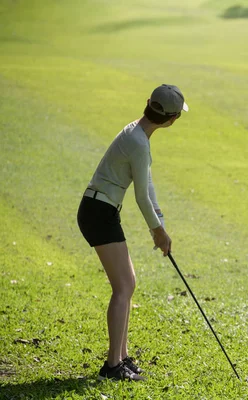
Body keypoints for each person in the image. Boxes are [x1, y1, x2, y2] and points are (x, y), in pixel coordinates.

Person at [77, 84, 188, 381]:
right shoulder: (139, 143)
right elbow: (141, 197)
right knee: (124, 287)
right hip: (98, 212)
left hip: (99, 209)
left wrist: (160, 225)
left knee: (127, 284)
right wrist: (157, 233)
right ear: (172, 119)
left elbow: (146, 184)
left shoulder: (137, 133)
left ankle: (121, 358)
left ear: (147, 104)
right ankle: (112, 366)